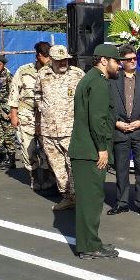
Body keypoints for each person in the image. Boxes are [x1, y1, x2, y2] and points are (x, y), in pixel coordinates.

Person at [68, 44, 120, 260]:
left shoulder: (90, 79)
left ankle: (90, 241)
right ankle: (89, 246)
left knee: (90, 200)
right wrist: (102, 148)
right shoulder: (98, 83)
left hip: (85, 150)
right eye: (116, 61)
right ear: (104, 61)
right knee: (91, 201)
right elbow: (97, 120)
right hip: (90, 151)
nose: (119, 66)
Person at [35, 45, 84, 211]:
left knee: (73, 165)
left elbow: (87, 97)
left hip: (70, 129)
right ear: (51, 60)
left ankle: (80, 197)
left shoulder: (77, 74)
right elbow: (37, 94)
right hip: (49, 130)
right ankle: (68, 197)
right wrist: (43, 108)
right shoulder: (43, 74)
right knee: (57, 167)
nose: (63, 63)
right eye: (59, 60)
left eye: (65, 60)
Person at [108, 44, 140, 216]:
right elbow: (106, 106)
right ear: (121, 62)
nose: (133, 61)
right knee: (121, 170)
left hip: (139, 132)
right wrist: (116, 123)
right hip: (120, 130)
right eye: (129, 59)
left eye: (135, 58)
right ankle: (122, 203)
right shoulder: (112, 79)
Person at [9, 41, 56, 194]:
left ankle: (49, 178)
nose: (48, 60)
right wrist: (13, 115)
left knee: (47, 148)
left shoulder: (53, 71)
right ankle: (34, 177)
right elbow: (14, 94)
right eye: (45, 56)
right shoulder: (24, 71)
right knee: (28, 148)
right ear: (38, 56)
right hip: (26, 114)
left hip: (46, 116)